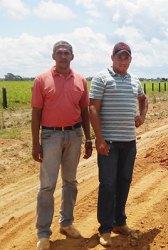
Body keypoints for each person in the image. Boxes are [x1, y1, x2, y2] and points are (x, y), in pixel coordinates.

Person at [31, 40, 93, 250]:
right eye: (60, 52)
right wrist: (35, 143)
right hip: (50, 136)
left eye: (67, 53)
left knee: (70, 182)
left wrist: (88, 139)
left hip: (74, 135)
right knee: (47, 186)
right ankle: (43, 233)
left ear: (72, 57)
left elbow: (84, 111)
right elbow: (36, 113)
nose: (63, 56)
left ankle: (66, 223)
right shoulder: (42, 80)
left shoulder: (81, 80)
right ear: (53, 56)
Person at [89, 42, 148, 247]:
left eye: (126, 57)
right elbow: (93, 109)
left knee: (124, 180)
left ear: (130, 60)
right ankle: (105, 228)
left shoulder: (134, 80)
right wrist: (99, 138)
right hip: (109, 142)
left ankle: (119, 222)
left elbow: (143, 98)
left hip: (129, 141)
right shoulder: (101, 78)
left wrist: (142, 116)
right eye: (119, 56)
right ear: (112, 57)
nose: (123, 60)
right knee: (107, 184)